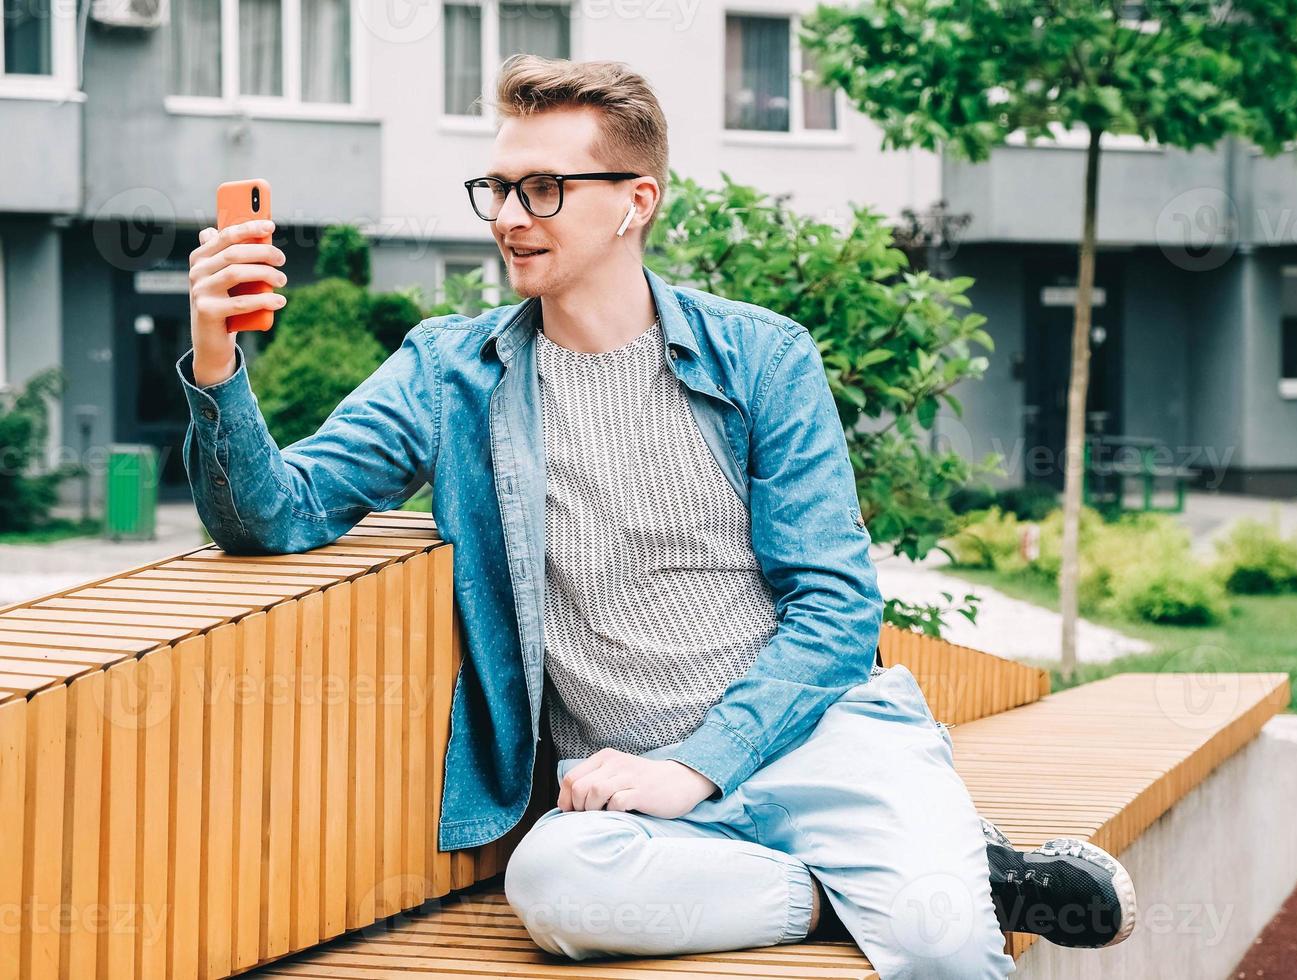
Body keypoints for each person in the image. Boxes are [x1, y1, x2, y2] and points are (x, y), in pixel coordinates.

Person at [177, 54, 1134, 980]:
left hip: (816, 739)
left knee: (936, 950)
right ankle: (878, 886)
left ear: (637, 201)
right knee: (552, 885)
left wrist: (700, 767)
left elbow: (838, 609)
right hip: (628, 793)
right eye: (499, 188)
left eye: (544, 189)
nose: (510, 217)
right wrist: (217, 359)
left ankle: (924, 881)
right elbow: (278, 516)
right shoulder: (448, 373)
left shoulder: (764, 358)